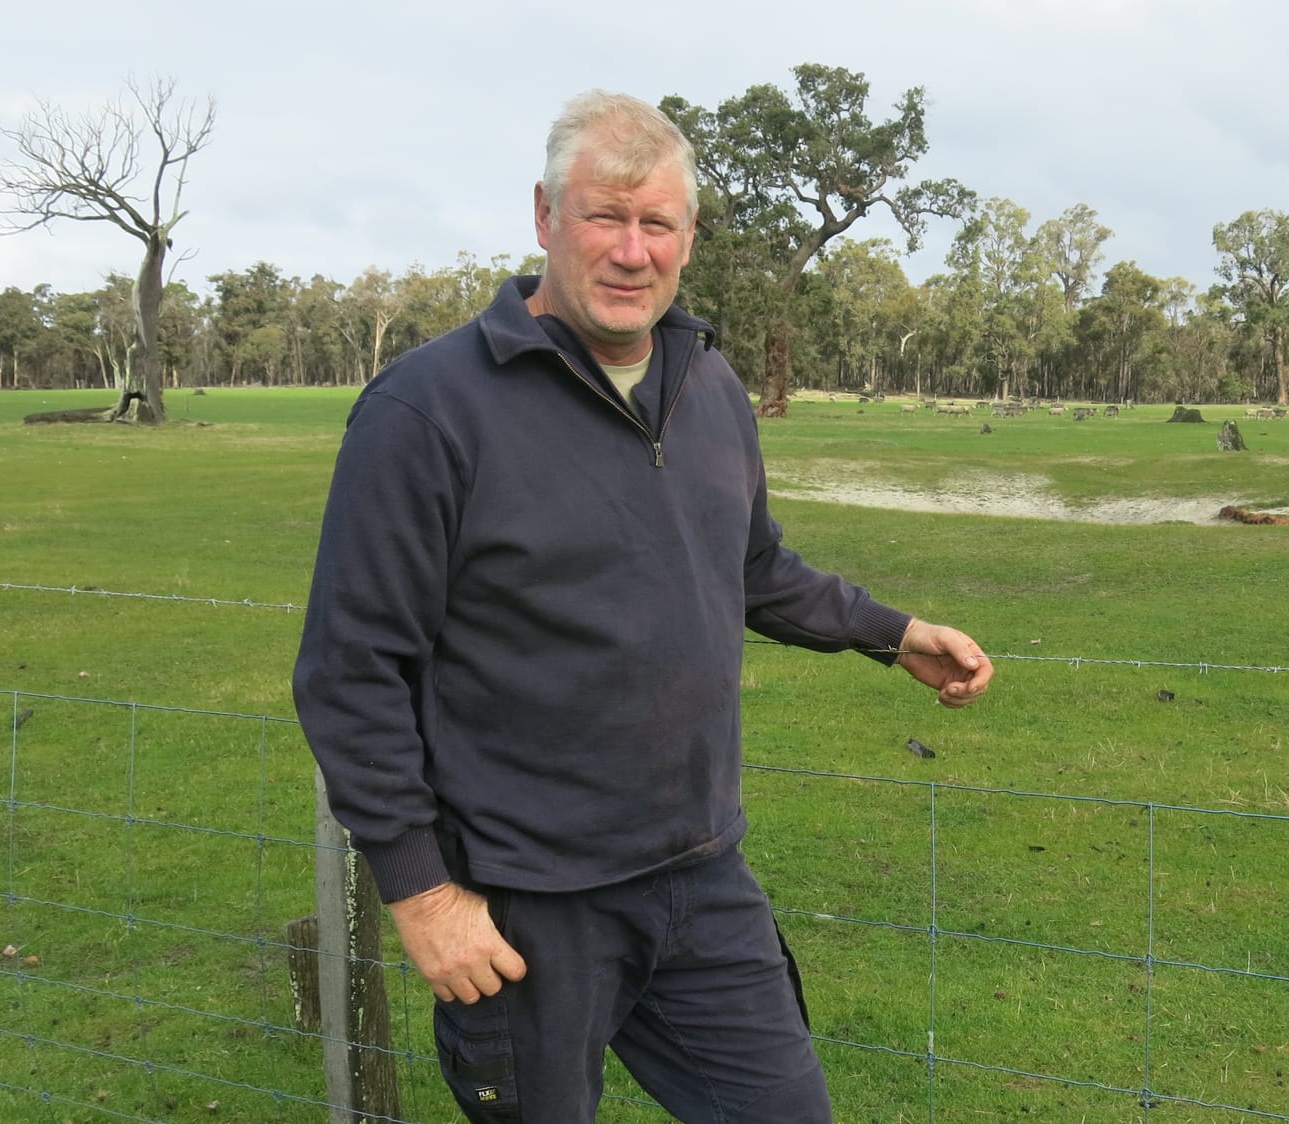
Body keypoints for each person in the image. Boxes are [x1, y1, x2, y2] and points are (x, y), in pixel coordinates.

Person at [292, 89, 992, 1123]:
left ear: (688, 237)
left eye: (656, 223)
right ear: (545, 217)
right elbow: (350, 670)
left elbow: (751, 565)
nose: (631, 251)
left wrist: (891, 634)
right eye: (604, 217)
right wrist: (424, 894)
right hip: (526, 899)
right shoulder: (426, 410)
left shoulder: (707, 385)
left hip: (700, 877)